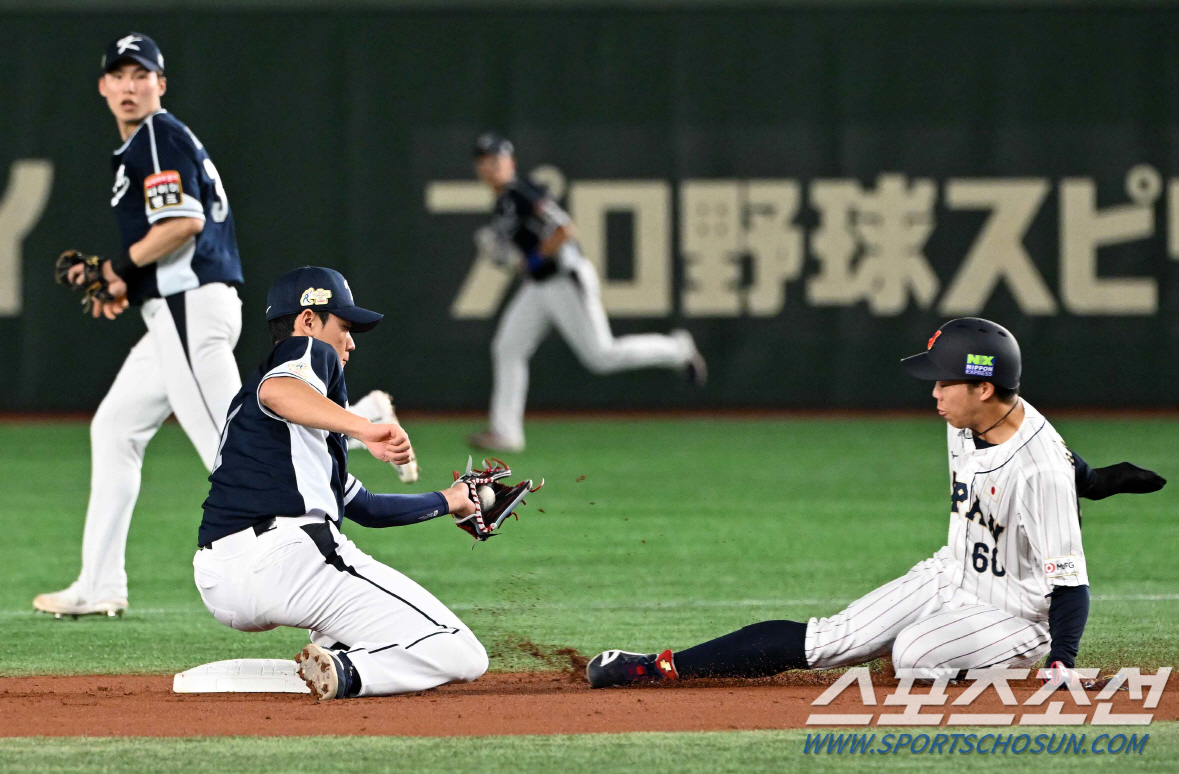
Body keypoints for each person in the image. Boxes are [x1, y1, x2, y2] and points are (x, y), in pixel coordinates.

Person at [585, 317, 1166, 689]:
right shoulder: (983, 416)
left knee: (912, 657)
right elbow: (1071, 467)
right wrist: (1099, 478)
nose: (933, 392)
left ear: (984, 388)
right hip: (952, 572)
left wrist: (1061, 659)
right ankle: (659, 666)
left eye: (945, 381)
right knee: (830, 638)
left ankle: (993, 657)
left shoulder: (1037, 466)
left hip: (1020, 614)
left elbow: (1070, 586)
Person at [193, 266, 489, 699]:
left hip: (222, 581)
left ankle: (336, 654)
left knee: (369, 625)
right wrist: (364, 427)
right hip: (286, 558)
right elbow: (280, 390)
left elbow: (367, 507)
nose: (349, 343)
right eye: (344, 327)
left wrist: (452, 500)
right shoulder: (305, 351)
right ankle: (348, 671)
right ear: (308, 320)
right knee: (462, 654)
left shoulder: (287, 439)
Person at [36, 33, 244, 618]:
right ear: (103, 86)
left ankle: (354, 440)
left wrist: (113, 268)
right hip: (177, 308)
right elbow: (174, 232)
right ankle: (99, 584)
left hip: (188, 308)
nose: (129, 86)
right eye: (119, 76)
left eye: (141, 75)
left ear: (161, 84)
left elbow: (183, 223)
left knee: (230, 454)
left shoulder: (155, 136)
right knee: (115, 428)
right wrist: (127, 284)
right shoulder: (157, 141)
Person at [468, 134, 706, 453]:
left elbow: (565, 230)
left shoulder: (522, 192)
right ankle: (506, 432)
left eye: (497, 160)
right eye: (485, 162)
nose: (492, 167)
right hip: (539, 286)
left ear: (510, 163)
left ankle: (677, 349)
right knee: (508, 347)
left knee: (601, 356)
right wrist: (513, 259)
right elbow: (522, 256)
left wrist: (532, 258)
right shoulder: (502, 203)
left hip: (565, 278)